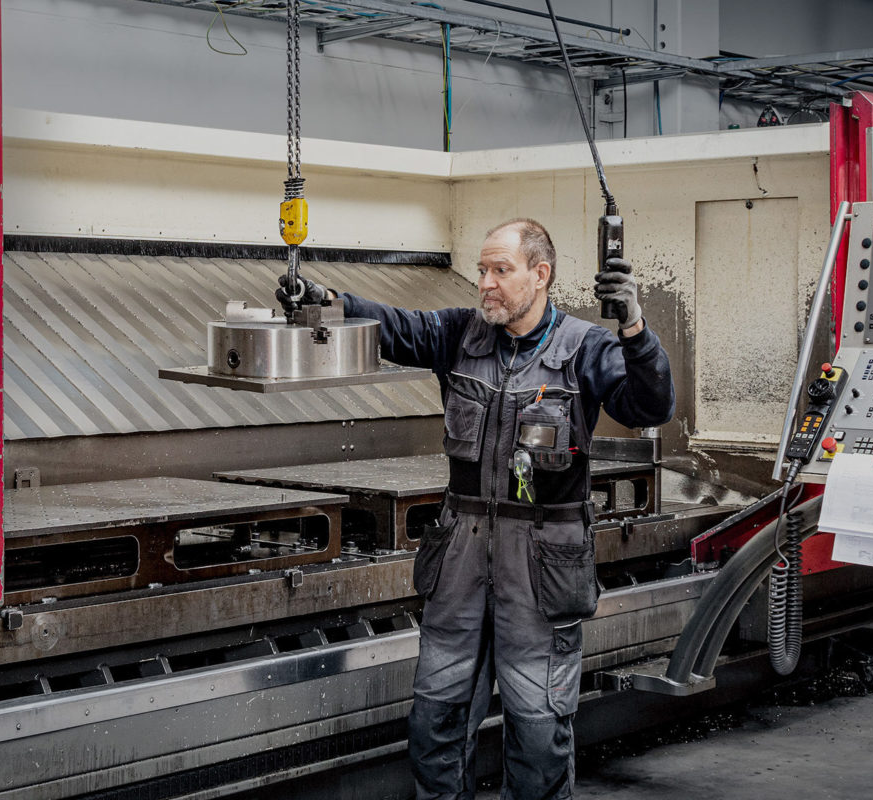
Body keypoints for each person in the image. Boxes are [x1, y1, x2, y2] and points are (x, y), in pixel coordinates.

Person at [277, 218, 675, 800]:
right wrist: (325, 300)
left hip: (541, 568)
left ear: (540, 275)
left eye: (499, 270)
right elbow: (389, 323)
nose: (484, 283)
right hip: (460, 558)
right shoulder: (459, 336)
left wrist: (635, 328)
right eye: (482, 270)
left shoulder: (585, 349)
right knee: (434, 724)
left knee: (538, 733)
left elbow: (652, 403)